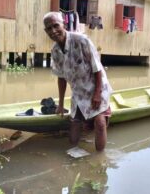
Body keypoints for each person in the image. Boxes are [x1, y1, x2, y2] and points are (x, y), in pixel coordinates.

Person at [43, 12, 112, 151]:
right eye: (49, 28)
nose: (53, 31)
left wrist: (97, 94)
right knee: (75, 123)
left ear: (64, 25)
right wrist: (61, 104)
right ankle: (72, 153)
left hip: (96, 87)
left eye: (56, 26)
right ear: (46, 31)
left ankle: (100, 160)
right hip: (78, 91)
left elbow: (97, 68)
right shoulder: (55, 51)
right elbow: (61, 77)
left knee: (100, 123)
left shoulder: (81, 40)